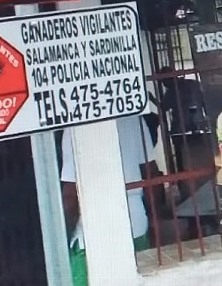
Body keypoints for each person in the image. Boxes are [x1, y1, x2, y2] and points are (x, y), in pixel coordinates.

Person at [60, 117, 156, 286]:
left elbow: (70, 193)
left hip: (92, 235)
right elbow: (150, 174)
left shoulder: (75, 126)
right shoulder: (133, 117)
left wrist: (63, 234)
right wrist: (154, 221)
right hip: (136, 224)